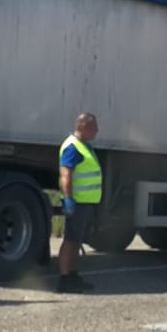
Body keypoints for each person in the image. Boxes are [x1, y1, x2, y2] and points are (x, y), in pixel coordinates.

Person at [56, 112, 102, 293]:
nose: (97, 131)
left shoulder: (84, 146)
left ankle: (73, 275)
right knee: (70, 240)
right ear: (84, 127)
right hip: (78, 202)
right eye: (94, 127)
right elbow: (66, 175)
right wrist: (68, 199)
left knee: (76, 241)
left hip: (86, 203)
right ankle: (64, 278)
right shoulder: (72, 147)